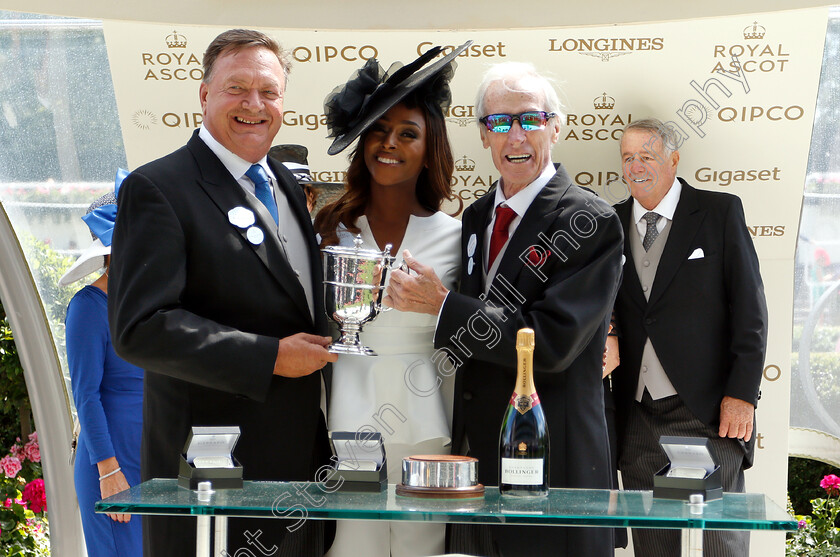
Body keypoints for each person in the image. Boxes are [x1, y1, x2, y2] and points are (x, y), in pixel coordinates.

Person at [108, 29, 337, 556]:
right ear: (205, 95)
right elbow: (140, 328)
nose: (255, 105)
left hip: (296, 476)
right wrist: (269, 357)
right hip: (212, 479)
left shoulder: (284, 184)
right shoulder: (159, 188)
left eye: (270, 92)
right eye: (238, 88)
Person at [386, 61, 624, 556]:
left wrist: (444, 305)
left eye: (530, 120)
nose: (515, 135)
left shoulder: (589, 220)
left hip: (552, 469)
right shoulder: (475, 218)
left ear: (555, 128)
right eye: (499, 122)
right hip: (476, 472)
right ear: (483, 136)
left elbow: (551, 344)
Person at [314, 43, 467, 557]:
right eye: (378, 130)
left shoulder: (456, 235)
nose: (390, 144)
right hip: (346, 406)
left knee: (423, 539)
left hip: (426, 411)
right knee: (352, 541)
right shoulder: (332, 227)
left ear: (430, 148)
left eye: (408, 133)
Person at [610, 118, 768, 557]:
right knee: (655, 546)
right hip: (639, 416)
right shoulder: (610, 223)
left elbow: (751, 311)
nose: (636, 166)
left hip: (706, 411)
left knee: (721, 542)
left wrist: (742, 395)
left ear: (674, 159)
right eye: (628, 157)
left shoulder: (719, 212)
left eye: (648, 155)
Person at [62, 171, 142, 557]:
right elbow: (86, 397)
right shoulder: (87, 307)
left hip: (152, 460)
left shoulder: (150, 308)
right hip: (111, 465)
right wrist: (108, 472)